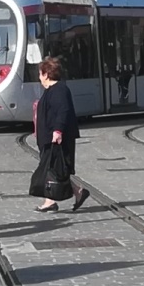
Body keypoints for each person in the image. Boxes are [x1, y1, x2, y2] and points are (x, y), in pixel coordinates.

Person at [34, 57, 90, 213]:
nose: (39, 78)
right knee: (56, 169)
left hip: (57, 138)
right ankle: (78, 192)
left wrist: (58, 131)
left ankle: (50, 201)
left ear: (46, 74)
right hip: (48, 137)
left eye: (40, 74)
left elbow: (63, 111)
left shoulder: (59, 90)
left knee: (53, 168)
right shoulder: (51, 91)